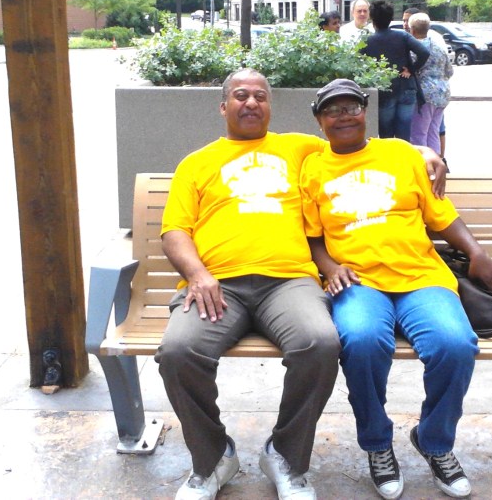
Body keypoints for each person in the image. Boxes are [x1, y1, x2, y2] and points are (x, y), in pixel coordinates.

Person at [156, 69, 446, 500]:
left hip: (289, 281)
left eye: (260, 96)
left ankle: (286, 456)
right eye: (241, 95)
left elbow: (364, 146)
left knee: (320, 342)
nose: (251, 103)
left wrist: (423, 150)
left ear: (270, 107)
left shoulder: (300, 148)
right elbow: (174, 231)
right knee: (179, 352)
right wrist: (198, 274)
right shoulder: (196, 163)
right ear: (223, 106)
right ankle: (213, 458)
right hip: (219, 284)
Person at [300, 79, 492, 500]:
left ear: (366, 111)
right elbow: (313, 237)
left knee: (455, 344)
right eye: (332, 110)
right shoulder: (313, 169)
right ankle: (377, 443)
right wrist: (330, 267)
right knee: (360, 342)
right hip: (359, 282)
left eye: (351, 107)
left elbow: (441, 216)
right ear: (319, 121)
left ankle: (434, 441)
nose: (343, 116)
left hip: (420, 277)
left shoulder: (402, 155)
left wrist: (476, 252)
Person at [361, 0, 429, 140]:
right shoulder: (402, 35)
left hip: (385, 90)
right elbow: (424, 52)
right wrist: (411, 69)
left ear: (372, 19)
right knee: (404, 133)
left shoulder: (367, 41)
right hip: (407, 87)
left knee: (386, 135)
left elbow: (358, 63)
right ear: (391, 18)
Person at [408, 13, 453, 156]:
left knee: (419, 134)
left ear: (412, 30)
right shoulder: (438, 48)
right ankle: (436, 163)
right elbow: (449, 71)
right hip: (443, 94)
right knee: (434, 131)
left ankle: (423, 165)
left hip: (425, 95)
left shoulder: (414, 49)